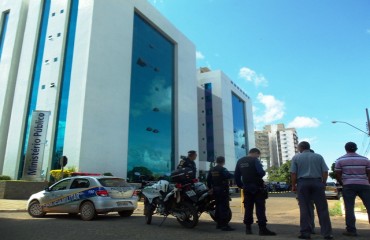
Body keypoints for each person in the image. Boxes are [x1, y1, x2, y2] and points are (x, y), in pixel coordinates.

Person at [290, 141, 333, 239]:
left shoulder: (296, 157)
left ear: (300, 148)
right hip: (317, 182)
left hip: (303, 183)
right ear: (309, 147)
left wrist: (293, 185)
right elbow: (325, 171)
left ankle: (305, 233)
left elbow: (293, 173)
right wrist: (323, 182)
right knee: (322, 208)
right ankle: (327, 234)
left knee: (305, 208)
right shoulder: (318, 156)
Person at [234, 148, 276, 236]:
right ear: (255, 153)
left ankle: (248, 229)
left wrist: (241, 185)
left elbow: (236, 175)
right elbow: (261, 172)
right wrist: (262, 173)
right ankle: (262, 229)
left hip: (246, 187)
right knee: (260, 208)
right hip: (257, 187)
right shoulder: (255, 160)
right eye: (258, 155)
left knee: (248, 208)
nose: (258, 157)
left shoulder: (240, 161)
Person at [335, 141, 370, 237]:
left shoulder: (340, 160)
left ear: (345, 149)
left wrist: (343, 182)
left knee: (349, 208)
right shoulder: (365, 159)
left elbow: (338, 173)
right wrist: (367, 181)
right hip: (364, 184)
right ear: (356, 148)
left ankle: (351, 230)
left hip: (348, 185)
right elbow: (369, 172)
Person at [207, 156, 234, 231]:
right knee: (224, 207)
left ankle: (219, 224)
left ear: (216, 161)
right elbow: (229, 176)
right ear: (223, 162)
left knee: (218, 207)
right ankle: (224, 225)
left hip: (215, 190)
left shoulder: (212, 169)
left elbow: (208, 180)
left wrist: (210, 188)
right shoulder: (223, 169)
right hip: (223, 190)